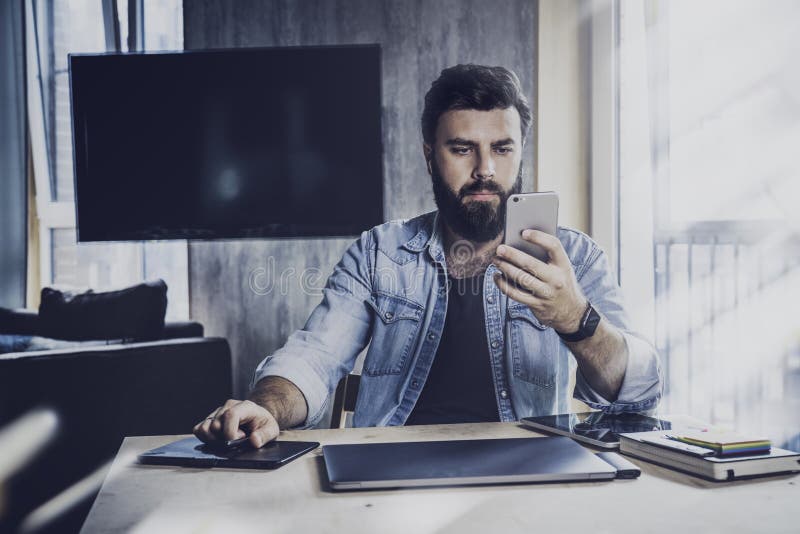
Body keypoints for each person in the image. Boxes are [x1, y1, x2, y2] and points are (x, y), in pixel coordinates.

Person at [194, 64, 663, 448]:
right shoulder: (379, 252)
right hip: (392, 467)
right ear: (429, 154)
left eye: (502, 148)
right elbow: (314, 356)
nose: (485, 170)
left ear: (521, 152)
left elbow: (638, 393)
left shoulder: (574, 259)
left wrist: (574, 317)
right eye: (462, 149)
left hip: (530, 470)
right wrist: (265, 407)